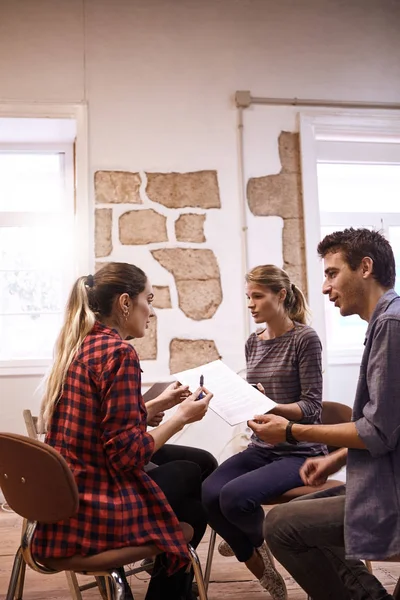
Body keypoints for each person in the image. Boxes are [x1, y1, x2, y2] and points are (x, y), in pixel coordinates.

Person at [33, 262, 213, 600]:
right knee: (193, 484)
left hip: (68, 492)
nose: (152, 311)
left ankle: (164, 565)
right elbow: (127, 456)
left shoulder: (81, 345)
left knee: (197, 473)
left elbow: (99, 422)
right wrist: (181, 418)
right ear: (126, 303)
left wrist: (156, 405)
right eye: (150, 299)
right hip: (94, 503)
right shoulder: (119, 353)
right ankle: (167, 578)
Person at [249, 229, 400, 600]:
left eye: (332, 273)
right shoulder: (386, 322)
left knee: (282, 524)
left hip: (393, 490)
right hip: (384, 474)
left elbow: (377, 432)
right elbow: (393, 426)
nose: (323, 287)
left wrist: (292, 432)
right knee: (296, 511)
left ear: (365, 268)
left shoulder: (391, 326)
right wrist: (337, 459)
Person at [202, 265, 327, 600]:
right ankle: (258, 558)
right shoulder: (252, 343)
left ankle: (248, 537)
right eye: (249, 297)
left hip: (300, 449)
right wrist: (240, 404)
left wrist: (270, 406)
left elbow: (312, 407)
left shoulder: (305, 338)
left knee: (234, 498)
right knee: (209, 491)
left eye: (258, 296)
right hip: (262, 446)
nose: (251, 304)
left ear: (281, 295)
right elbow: (254, 401)